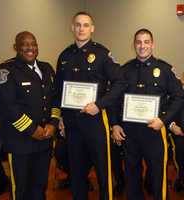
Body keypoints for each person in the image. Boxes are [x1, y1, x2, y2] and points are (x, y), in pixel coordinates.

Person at [53, 11, 124, 200]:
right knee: (76, 172)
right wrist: (59, 116)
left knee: (103, 170)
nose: (81, 28)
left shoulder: (102, 54)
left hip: (95, 122)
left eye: (85, 25)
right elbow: (58, 90)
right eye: (78, 24)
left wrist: (99, 105)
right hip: (72, 124)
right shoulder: (64, 56)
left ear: (92, 29)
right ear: (72, 27)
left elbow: (119, 83)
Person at [111, 28, 184, 200]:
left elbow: (179, 96)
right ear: (134, 45)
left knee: (158, 179)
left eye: (146, 42)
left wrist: (164, 120)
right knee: (132, 178)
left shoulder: (164, 69)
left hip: (155, 133)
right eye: (138, 42)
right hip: (129, 134)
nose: (142, 46)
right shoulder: (124, 70)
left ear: (152, 44)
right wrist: (115, 124)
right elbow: (114, 99)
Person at [0, 31, 59, 200]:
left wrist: (53, 122)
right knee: (21, 189)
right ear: (16, 47)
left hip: (44, 139)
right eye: (25, 44)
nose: (30, 48)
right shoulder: (6, 70)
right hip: (20, 141)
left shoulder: (47, 68)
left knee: (40, 186)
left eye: (33, 44)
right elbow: (8, 107)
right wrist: (31, 129)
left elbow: (54, 99)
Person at [169, 75, 184, 192]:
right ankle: (181, 179)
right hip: (179, 133)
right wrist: (172, 126)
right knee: (179, 157)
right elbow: (167, 113)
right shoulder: (175, 94)